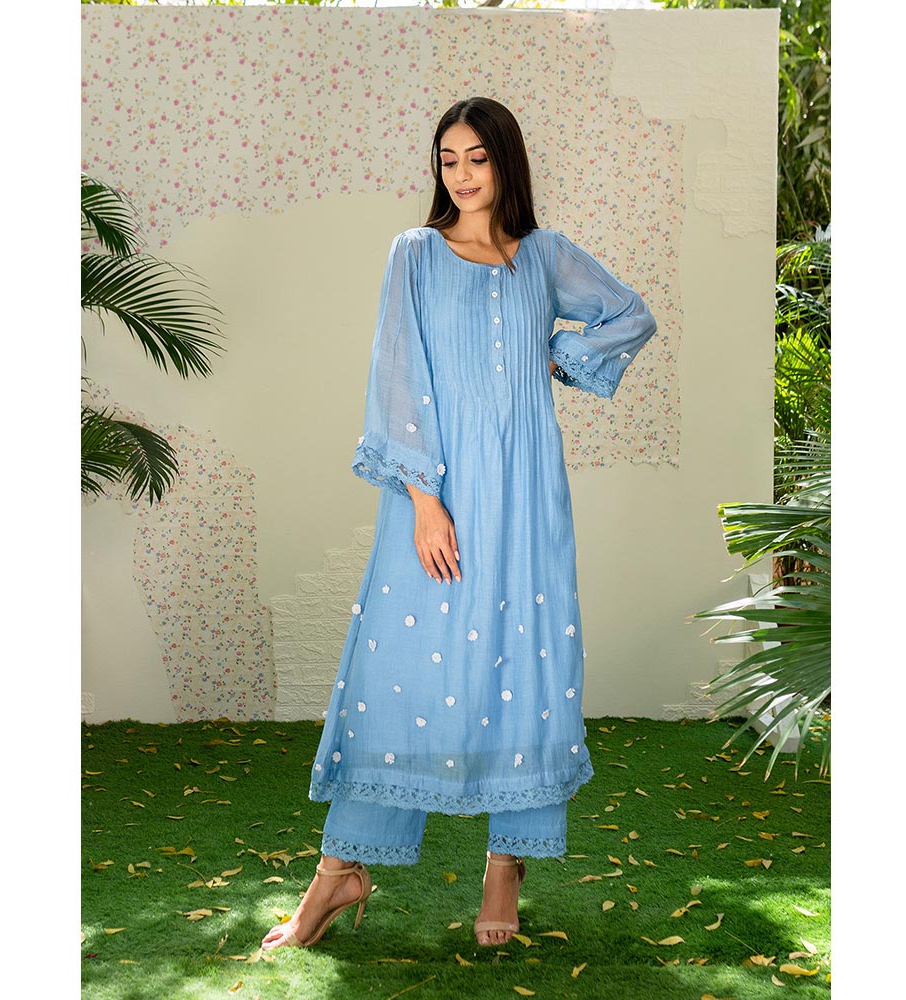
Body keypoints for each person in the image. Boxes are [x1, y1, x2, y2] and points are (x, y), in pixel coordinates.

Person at [261, 96, 658, 952]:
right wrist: (425, 500)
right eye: (449, 159)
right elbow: (398, 375)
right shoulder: (414, 253)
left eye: (478, 157)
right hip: (439, 489)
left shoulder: (545, 256)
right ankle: (339, 871)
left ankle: (504, 867)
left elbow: (632, 314)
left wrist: (557, 357)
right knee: (396, 672)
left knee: (527, 657)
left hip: (528, 494)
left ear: (506, 162)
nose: (462, 174)